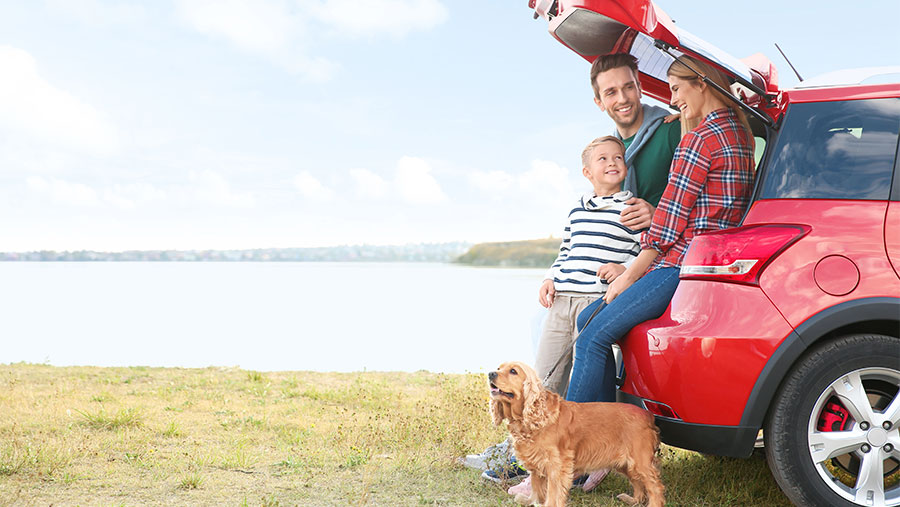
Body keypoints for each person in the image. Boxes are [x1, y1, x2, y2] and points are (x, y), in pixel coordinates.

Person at [563, 54, 756, 487]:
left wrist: (628, 278)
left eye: (675, 88)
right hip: (706, 261)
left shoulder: (698, 140)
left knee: (593, 335)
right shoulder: (740, 134)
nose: (671, 99)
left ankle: (566, 465)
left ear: (701, 84)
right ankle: (602, 454)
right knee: (585, 317)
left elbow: (666, 226)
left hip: (679, 265)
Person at [590, 53, 682, 228]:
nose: (623, 98)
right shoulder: (608, 154)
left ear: (640, 89)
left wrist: (659, 216)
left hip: (669, 249)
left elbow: (705, 202)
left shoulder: (672, 131)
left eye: (629, 87)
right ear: (599, 103)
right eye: (611, 92)